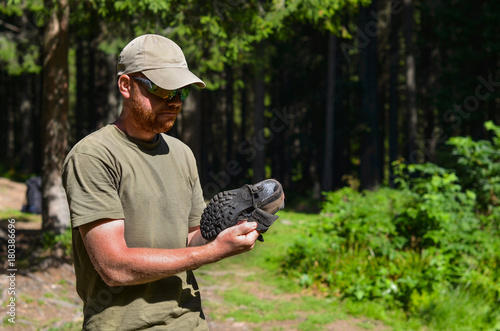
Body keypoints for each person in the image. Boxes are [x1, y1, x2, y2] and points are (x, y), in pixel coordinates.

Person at [62, 34, 261, 330]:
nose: (174, 102)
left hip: (191, 322)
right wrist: (213, 252)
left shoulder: (182, 154)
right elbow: (114, 267)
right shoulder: (93, 156)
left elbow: (192, 239)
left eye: (182, 92)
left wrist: (234, 230)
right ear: (126, 86)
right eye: (163, 90)